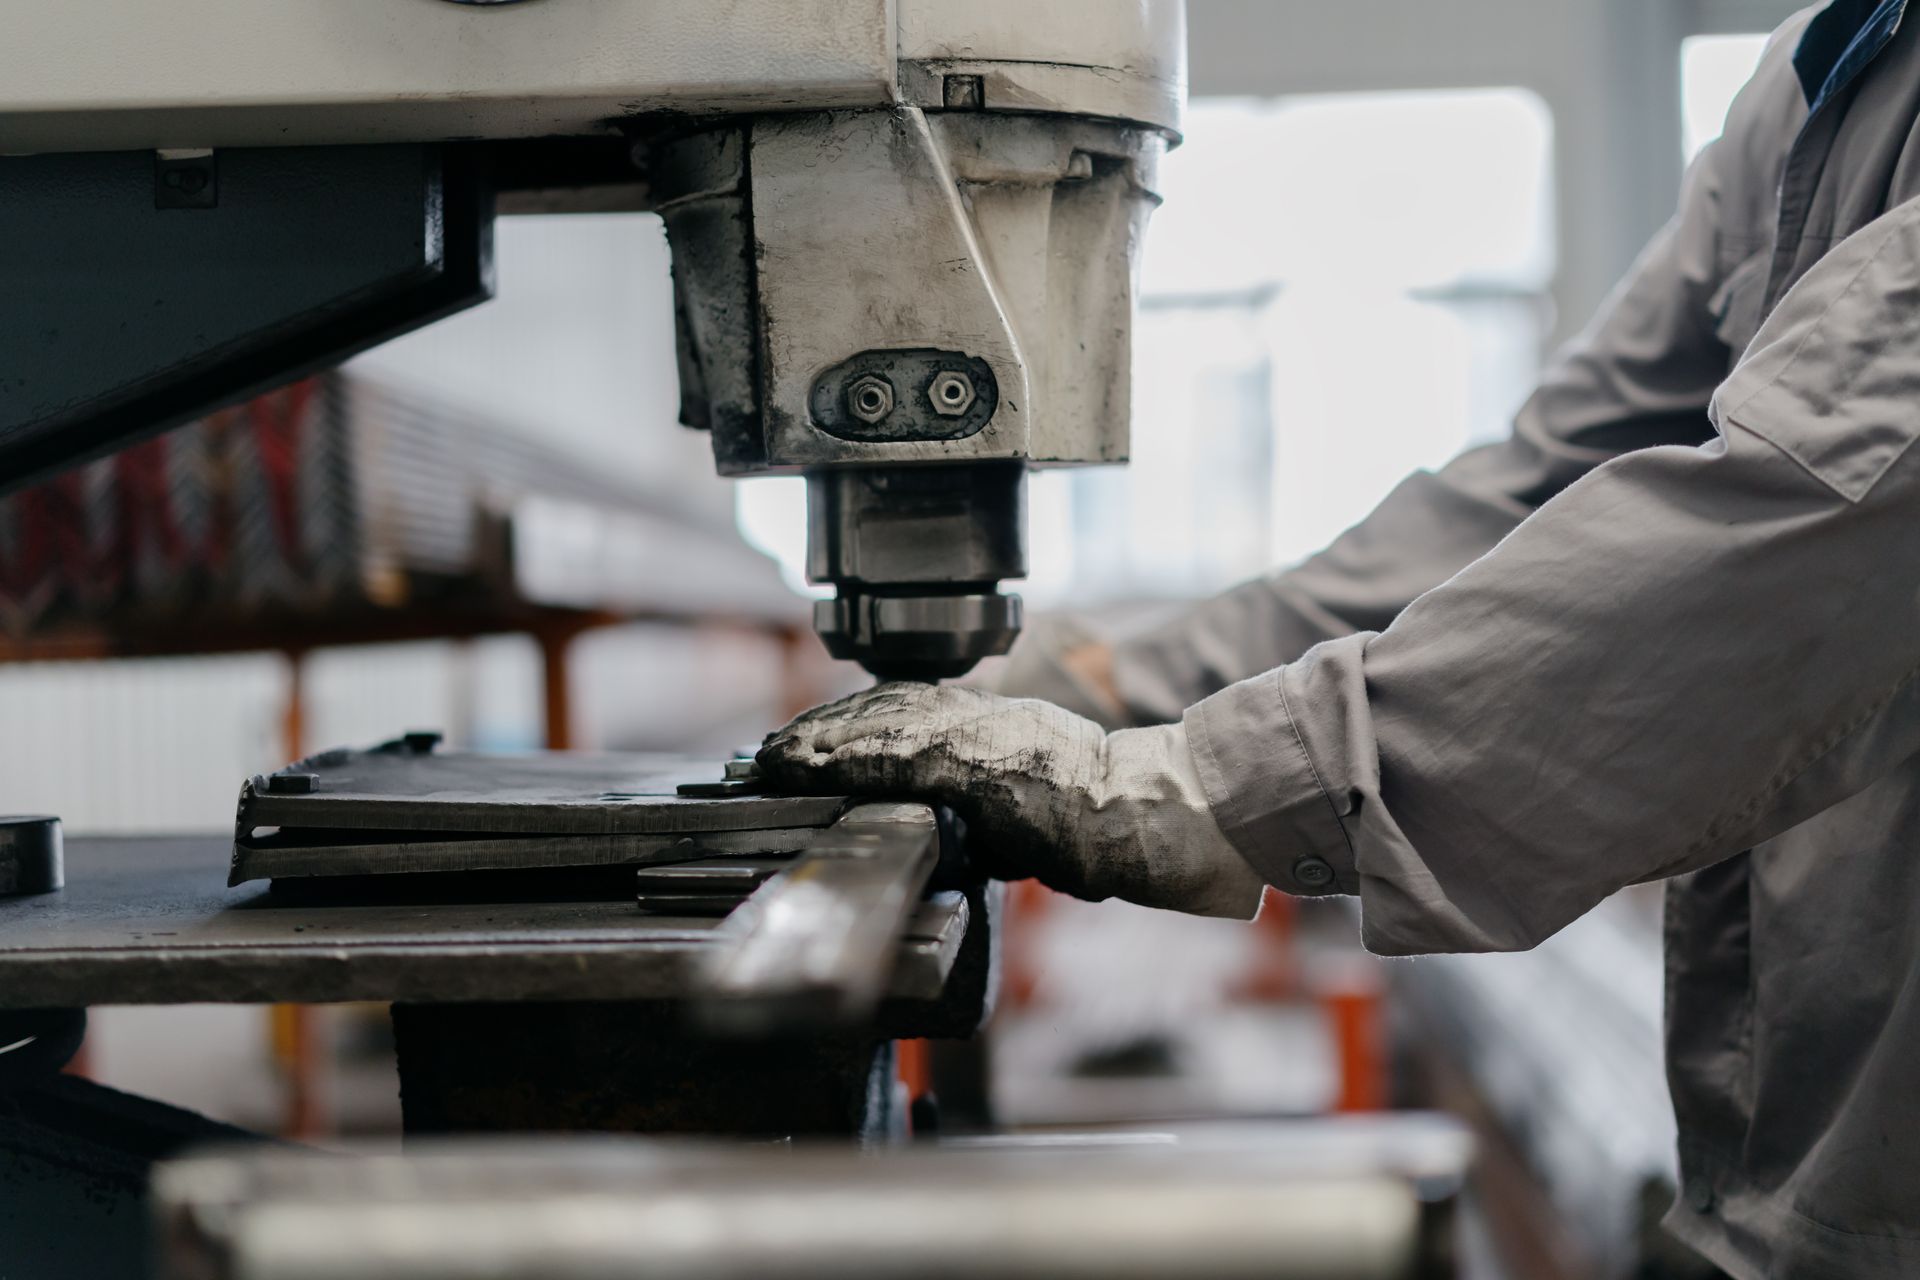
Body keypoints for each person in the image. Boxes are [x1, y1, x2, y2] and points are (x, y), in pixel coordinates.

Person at [761, 4, 1920, 1277]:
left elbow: (1809, 521)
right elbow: (1543, 490)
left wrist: (1197, 784)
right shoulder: (1836, 63)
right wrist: (1108, 688)